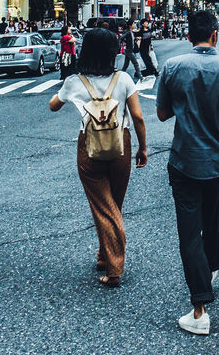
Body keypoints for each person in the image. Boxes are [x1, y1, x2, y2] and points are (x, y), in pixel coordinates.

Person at [155, 10, 219, 336]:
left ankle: (199, 309)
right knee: (214, 221)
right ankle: (208, 272)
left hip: (184, 160)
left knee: (188, 232)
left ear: (188, 36)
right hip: (218, 161)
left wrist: (187, 104)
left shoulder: (172, 68)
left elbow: (163, 113)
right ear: (215, 35)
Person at [48, 28, 148, 288]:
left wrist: (68, 94)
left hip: (89, 147)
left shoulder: (74, 81)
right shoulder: (124, 79)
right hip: (121, 144)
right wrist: (143, 148)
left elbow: (53, 105)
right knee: (113, 202)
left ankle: (113, 267)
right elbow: (137, 117)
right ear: (112, 52)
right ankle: (104, 254)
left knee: (102, 205)